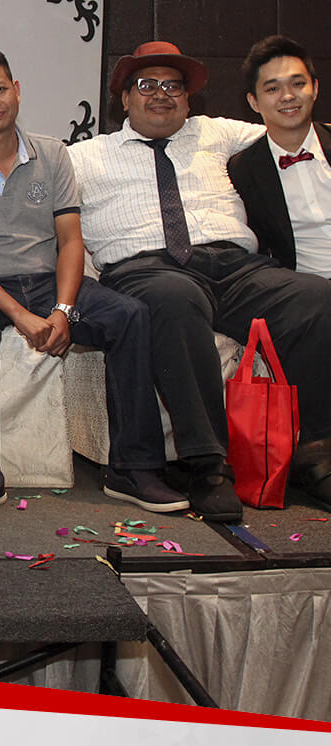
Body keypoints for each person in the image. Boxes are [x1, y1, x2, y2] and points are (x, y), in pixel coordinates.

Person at [68, 40, 331, 521]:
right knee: (174, 299)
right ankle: (207, 466)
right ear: (123, 98)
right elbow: (19, 162)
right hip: (148, 270)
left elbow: (292, 127)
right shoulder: (84, 156)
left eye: (173, 86)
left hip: (235, 267)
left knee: (316, 299)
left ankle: (316, 453)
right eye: (146, 85)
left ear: (188, 99)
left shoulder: (217, 132)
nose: (161, 94)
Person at [0, 47, 185, 520]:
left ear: (17, 90)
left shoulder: (52, 154)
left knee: (129, 315)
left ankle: (133, 468)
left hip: (47, 281)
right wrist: (21, 316)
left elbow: (70, 241)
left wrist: (62, 310)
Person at [228, 35, 331, 277]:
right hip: (306, 289)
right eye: (273, 88)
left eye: (298, 84)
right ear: (254, 101)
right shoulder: (243, 172)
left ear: (315, 89)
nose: (287, 96)